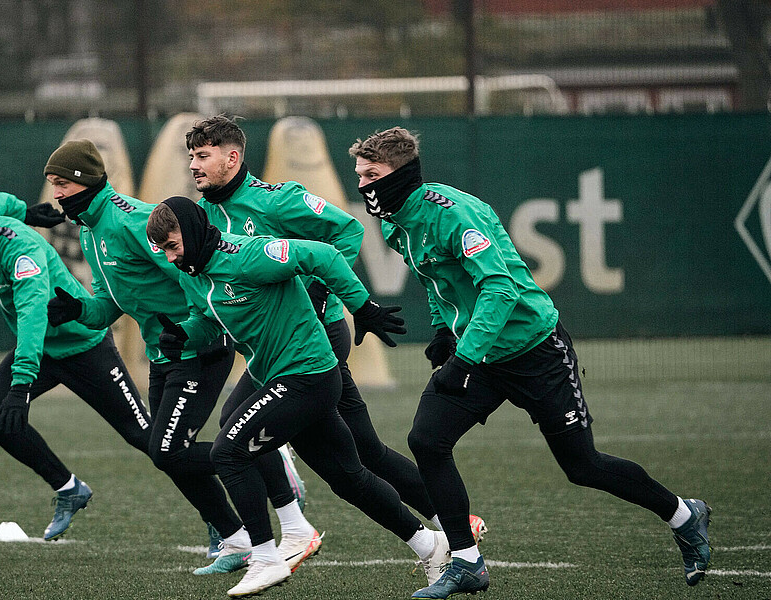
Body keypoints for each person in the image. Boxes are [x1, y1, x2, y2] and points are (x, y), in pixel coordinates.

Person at [348, 127, 712, 599]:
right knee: (427, 439)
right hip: (479, 354)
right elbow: (437, 280)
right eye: (358, 175)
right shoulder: (398, 222)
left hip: (534, 350)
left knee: (583, 466)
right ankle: (466, 561)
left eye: (372, 175)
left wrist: (465, 355)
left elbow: (501, 289)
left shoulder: (453, 214)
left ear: (402, 174)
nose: (363, 186)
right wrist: (443, 328)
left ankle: (685, 515)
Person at [185, 115, 487, 549]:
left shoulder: (275, 200)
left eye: (203, 155)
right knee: (363, 452)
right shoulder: (207, 215)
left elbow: (346, 230)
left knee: (237, 430)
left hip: (314, 339)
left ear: (232, 158)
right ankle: (452, 520)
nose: (194, 165)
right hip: (278, 348)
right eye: (191, 156)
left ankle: (289, 530)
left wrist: (322, 293)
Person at [146, 196, 451, 597]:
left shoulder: (248, 255)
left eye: (173, 246)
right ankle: (431, 546)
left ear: (193, 230)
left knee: (229, 452)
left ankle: (266, 558)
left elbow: (324, 255)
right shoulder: (194, 273)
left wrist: (363, 307)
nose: (170, 258)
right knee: (350, 479)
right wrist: (186, 334)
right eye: (164, 250)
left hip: (309, 374)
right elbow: (207, 321)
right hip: (277, 376)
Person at [34, 139, 315, 575]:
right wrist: (80, 311)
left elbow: (189, 269)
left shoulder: (131, 220)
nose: (56, 194)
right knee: (163, 448)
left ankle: (266, 456)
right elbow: (110, 303)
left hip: (197, 349)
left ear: (84, 181)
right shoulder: (90, 230)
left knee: (168, 450)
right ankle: (236, 538)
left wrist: (190, 328)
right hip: (164, 354)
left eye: (61, 184)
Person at [0, 190, 148, 541]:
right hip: (43, 349)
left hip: (83, 345)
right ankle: (69, 488)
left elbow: (32, 318)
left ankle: (221, 522)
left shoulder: (20, 253)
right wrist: (26, 211)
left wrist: (21, 384)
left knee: (148, 439)